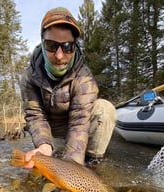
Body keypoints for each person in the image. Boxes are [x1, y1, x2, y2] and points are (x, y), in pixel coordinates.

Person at [20, 7, 116, 168]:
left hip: (77, 129)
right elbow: (35, 116)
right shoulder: (29, 76)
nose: (59, 55)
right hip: (51, 135)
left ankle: (93, 164)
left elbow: (79, 123)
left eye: (67, 46)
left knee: (104, 109)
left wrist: (74, 167)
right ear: (43, 44)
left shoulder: (84, 78)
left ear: (74, 46)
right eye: (51, 45)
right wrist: (44, 145)